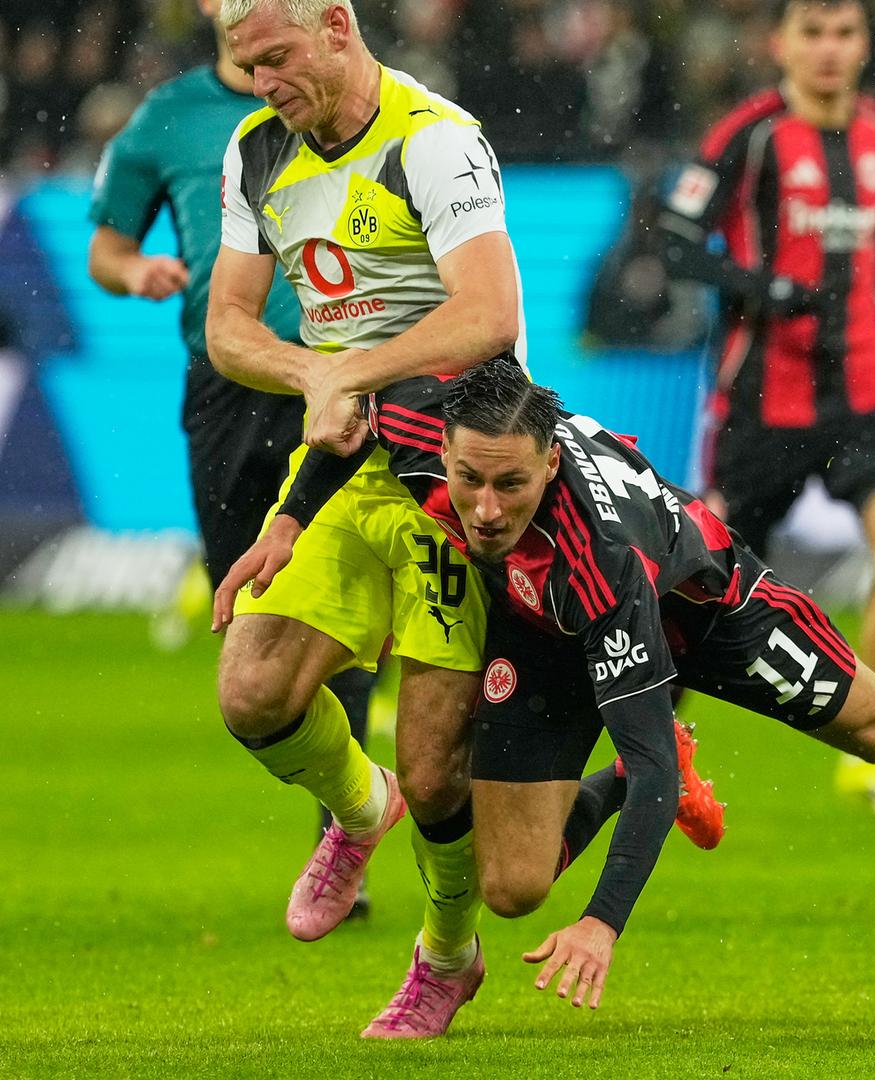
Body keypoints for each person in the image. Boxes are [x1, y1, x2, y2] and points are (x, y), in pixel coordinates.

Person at [216, 358, 875, 1009]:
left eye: (511, 486)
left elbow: (633, 692)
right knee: (511, 889)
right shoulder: (431, 420)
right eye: (470, 482)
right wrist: (291, 522)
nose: (484, 508)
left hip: (703, 609)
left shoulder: (602, 560)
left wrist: (602, 923)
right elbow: (349, 430)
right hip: (543, 633)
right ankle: (627, 787)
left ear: (550, 464)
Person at [205, 0, 517, 1038]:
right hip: (341, 460)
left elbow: (488, 319)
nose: (263, 85)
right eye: (246, 68)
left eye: (277, 59)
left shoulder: (436, 141)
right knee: (251, 690)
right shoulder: (256, 155)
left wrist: (352, 371)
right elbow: (229, 328)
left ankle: (446, 957)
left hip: (458, 472)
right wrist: (311, 374)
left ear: (337, 25)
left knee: (440, 770)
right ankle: (355, 808)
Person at [85, 0, 376, 916]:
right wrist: (136, 273)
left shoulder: (344, 98)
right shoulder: (166, 118)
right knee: (251, 617)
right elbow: (108, 242)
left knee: (339, 595)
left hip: (337, 378)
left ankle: (347, 833)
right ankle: (350, 796)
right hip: (225, 386)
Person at [656, 0, 875, 823]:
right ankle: (659, 754)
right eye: (812, 33)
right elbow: (673, 240)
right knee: (700, 587)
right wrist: (761, 290)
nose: (828, 50)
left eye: (844, 33)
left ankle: (872, 757)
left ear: (863, 46)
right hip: (762, 403)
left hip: (865, 390)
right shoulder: (745, 136)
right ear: (780, 44)